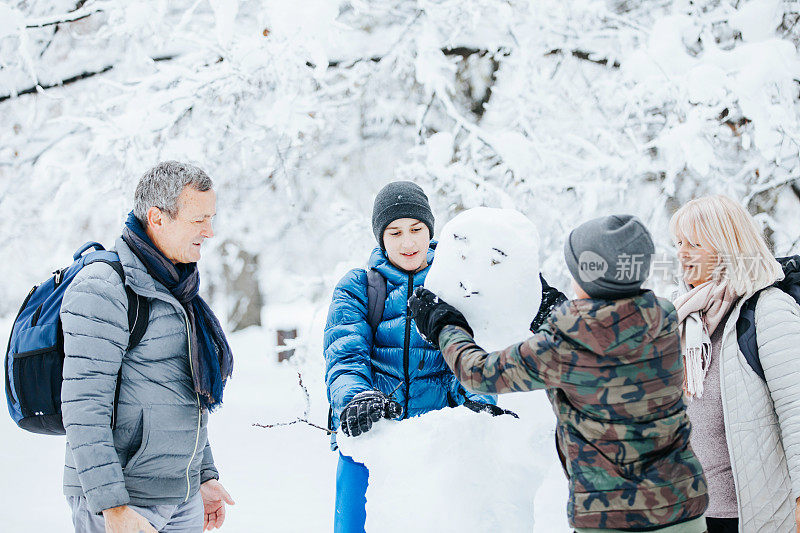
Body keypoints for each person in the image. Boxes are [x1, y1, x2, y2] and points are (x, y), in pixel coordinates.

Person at [410, 214, 709, 532]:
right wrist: (557, 315)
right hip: (682, 507)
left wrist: (444, 326)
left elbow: (478, 372)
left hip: (610, 518)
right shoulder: (663, 318)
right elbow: (607, 341)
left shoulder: (566, 341)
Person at [324, 181, 524, 533]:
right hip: (372, 434)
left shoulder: (456, 285)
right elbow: (344, 356)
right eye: (395, 232)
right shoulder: (358, 287)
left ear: (430, 230)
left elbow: (468, 358)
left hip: (439, 443)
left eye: (416, 229)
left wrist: (478, 403)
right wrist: (355, 399)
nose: (408, 242)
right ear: (381, 238)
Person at [60, 161, 235, 532]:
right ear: (157, 218)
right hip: (124, 498)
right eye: (198, 219)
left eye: (211, 217)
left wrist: (202, 475)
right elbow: (83, 406)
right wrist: (112, 505)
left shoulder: (178, 286)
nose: (210, 230)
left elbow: (181, 393)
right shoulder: (104, 287)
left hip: (179, 495)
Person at [670, 195, 800, 533]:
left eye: (694, 244)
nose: (682, 253)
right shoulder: (684, 315)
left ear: (728, 247)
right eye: (678, 243)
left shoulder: (768, 310)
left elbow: (796, 409)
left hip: (750, 516)